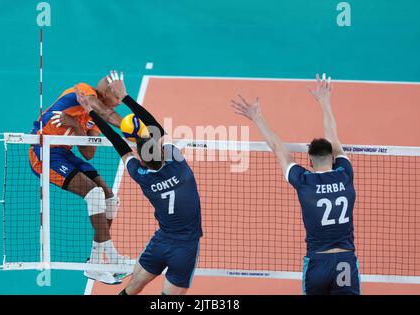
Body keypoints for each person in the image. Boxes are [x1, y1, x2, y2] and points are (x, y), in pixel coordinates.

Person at [75, 71, 203, 295]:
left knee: (132, 288)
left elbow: (119, 144)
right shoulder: (178, 165)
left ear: (142, 159)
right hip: (185, 247)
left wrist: (90, 112)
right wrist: (125, 97)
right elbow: (155, 126)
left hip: (160, 243)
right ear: (162, 152)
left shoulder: (142, 176)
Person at [231, 73, 360, 295]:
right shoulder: (345, 174)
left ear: (309, 161)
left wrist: (257, 117)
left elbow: (277, 147)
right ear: (332, 157)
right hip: (345, 261)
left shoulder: (304, 181)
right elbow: (334, 139)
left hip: (317, 262)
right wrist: (325, 102)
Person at [29, 72, 128, 284]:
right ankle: (105, 260)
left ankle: (100, 260)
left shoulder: (95, 116)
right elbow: (103, 110)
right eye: (117, 98)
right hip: (43, 152)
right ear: (107, 92)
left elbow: (89, 152)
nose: (118, 103)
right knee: (93, 194)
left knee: (110, 197)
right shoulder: (84, 90)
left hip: (63, 151)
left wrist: (76, 125)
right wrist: (134, 129)